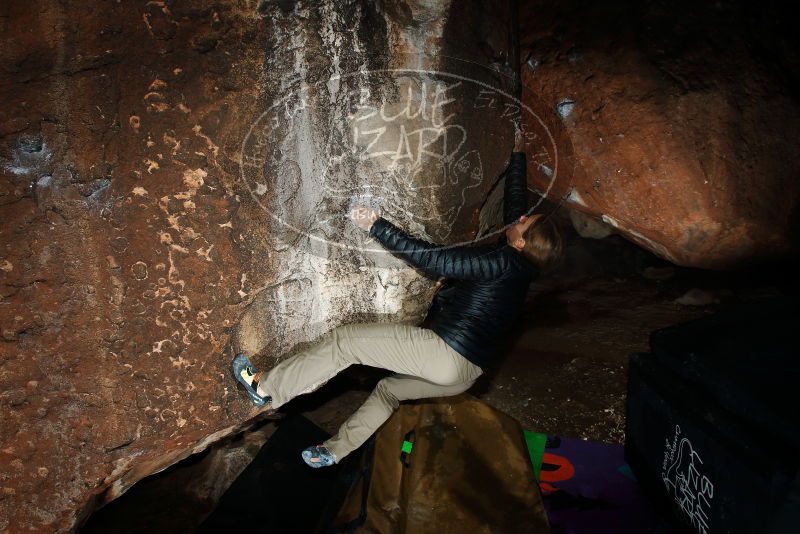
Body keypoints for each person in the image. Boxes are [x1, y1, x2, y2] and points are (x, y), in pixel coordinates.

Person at [232, 131, 562, 468]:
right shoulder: (523, 270)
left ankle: (267, 388)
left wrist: (376, 226)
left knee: (345, 342)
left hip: (444, 355)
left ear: (522, 243)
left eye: (525, 224)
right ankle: (334, 451)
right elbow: (517, 209)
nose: (520, 219)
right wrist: (517, 154)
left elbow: (438, 261)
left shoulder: (501, 262)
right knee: (389, 391)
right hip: (467, 376)